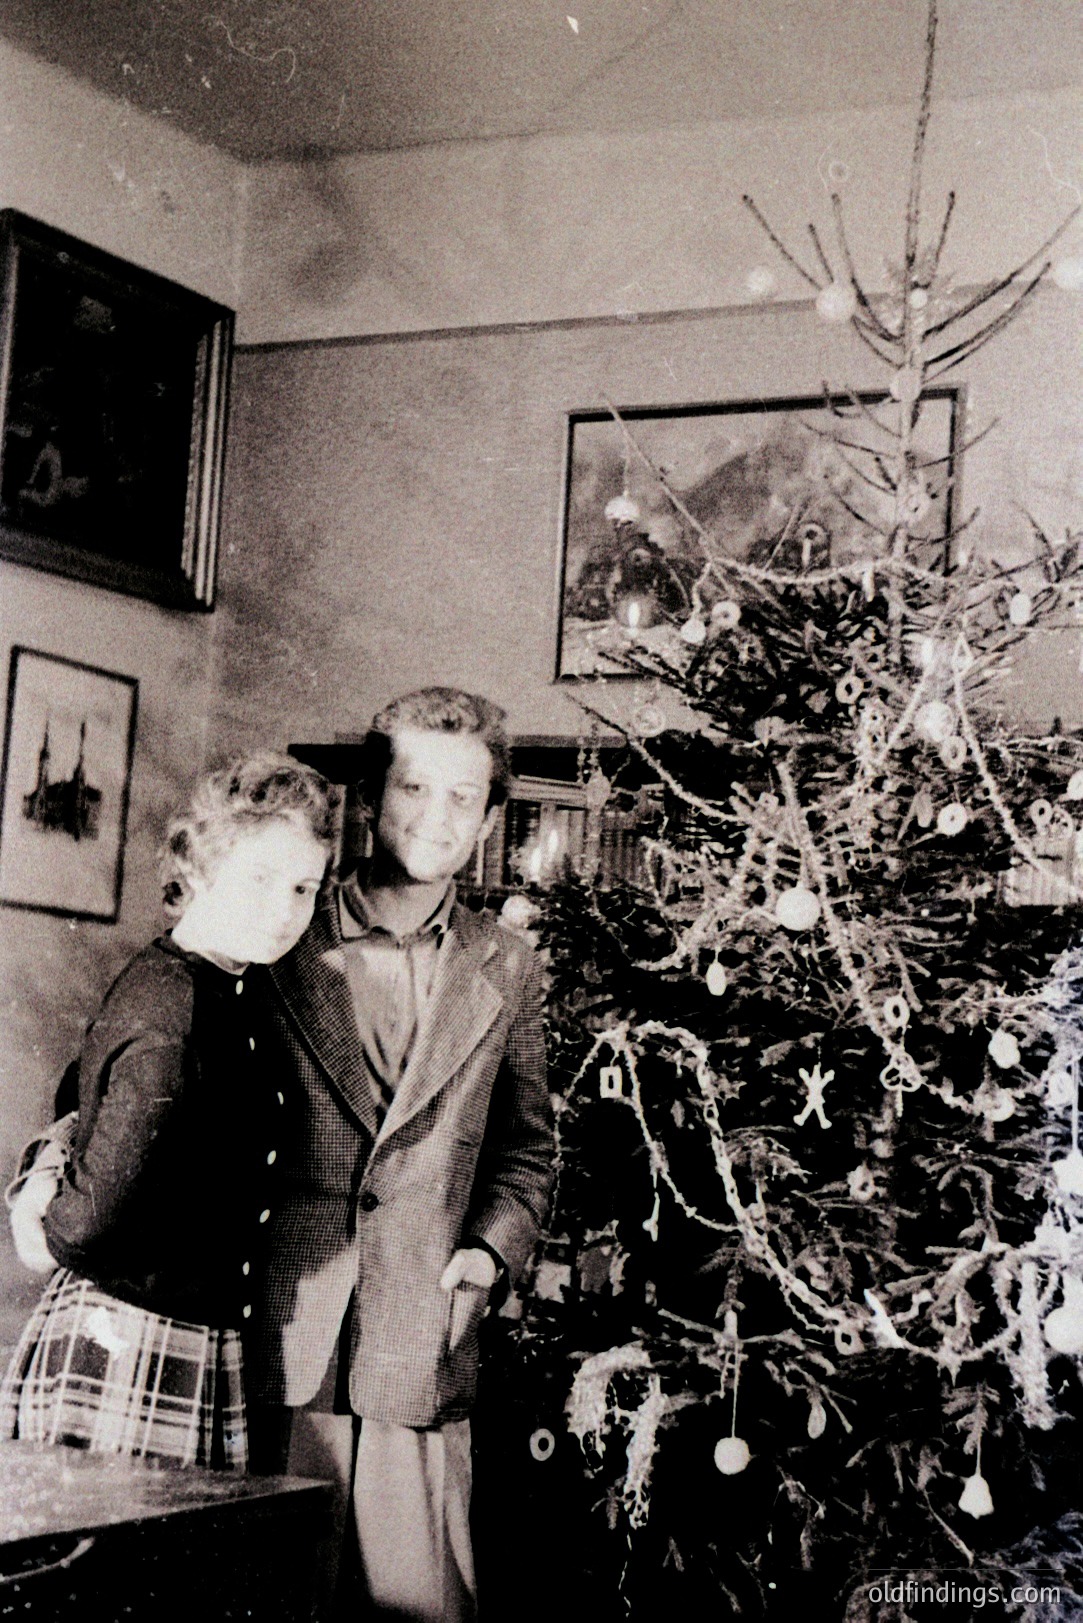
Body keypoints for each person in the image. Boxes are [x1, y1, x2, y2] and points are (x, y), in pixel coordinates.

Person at [248, 688, 555, 1622]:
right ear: (371, 798)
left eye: (466, 796)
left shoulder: (506, 963)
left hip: (422, 1338)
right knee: (270, 1596)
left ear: (494, 814)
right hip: (279, 1335)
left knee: (419, 1606)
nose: (438, 816)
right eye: (415, 786)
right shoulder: (280, 929)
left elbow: (527, 1148)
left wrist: (488, 1254)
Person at [0, 752, 339, 1470]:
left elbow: (77, 1092)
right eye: (259, 877)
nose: (284, 908)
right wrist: (42, 1209)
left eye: (304, 886)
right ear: (199, 868)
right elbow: (81, 1227)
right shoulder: (174, 1001)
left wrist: (48, 1162)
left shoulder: (227, 985)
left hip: (191, 1336)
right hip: (128, 1343)